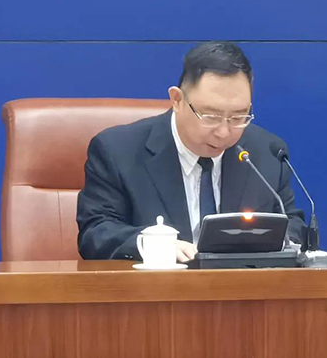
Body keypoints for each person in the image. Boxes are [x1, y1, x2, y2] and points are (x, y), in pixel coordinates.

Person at [77, 41, 305, 262]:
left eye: (238, 117)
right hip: (157, 285)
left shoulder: (265, 151)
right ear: (177, 100)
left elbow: (292, 224)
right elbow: (96, 232)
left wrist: (277, 241)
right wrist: (151, 244)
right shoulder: (118, 150)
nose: (224, 132)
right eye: (211, 116)